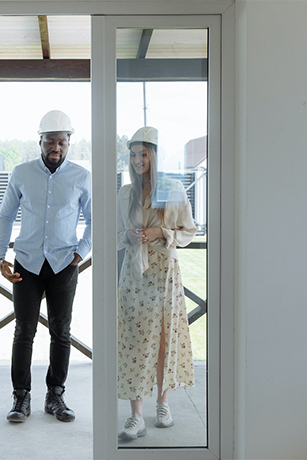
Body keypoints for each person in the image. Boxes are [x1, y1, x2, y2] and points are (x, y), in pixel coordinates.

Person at [0, 110, 92, 423]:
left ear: (68, 143)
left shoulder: (81, 176)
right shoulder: (21, 173)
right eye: (50, 140)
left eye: (62, 141)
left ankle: (56, 396)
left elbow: (95, 219)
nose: (56, 147)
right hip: (27, 264)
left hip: (64, 264)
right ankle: (21, 398)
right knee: (24, 331)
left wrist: (81, 253)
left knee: (61, 332)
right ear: (40, 141)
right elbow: (6, 216)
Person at [116, 126, 196, 440]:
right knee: (134, 340)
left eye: (143, 153)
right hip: (134, 273)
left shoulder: (172, 189)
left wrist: (160, 232)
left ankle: (163, 403)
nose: (138, 160)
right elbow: (115, 233)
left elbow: (189, 230)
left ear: (154, 154)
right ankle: (136, 415)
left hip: (165, 272)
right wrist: (130, 235)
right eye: (133, 154)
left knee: (164, 339)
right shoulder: (125, 193)